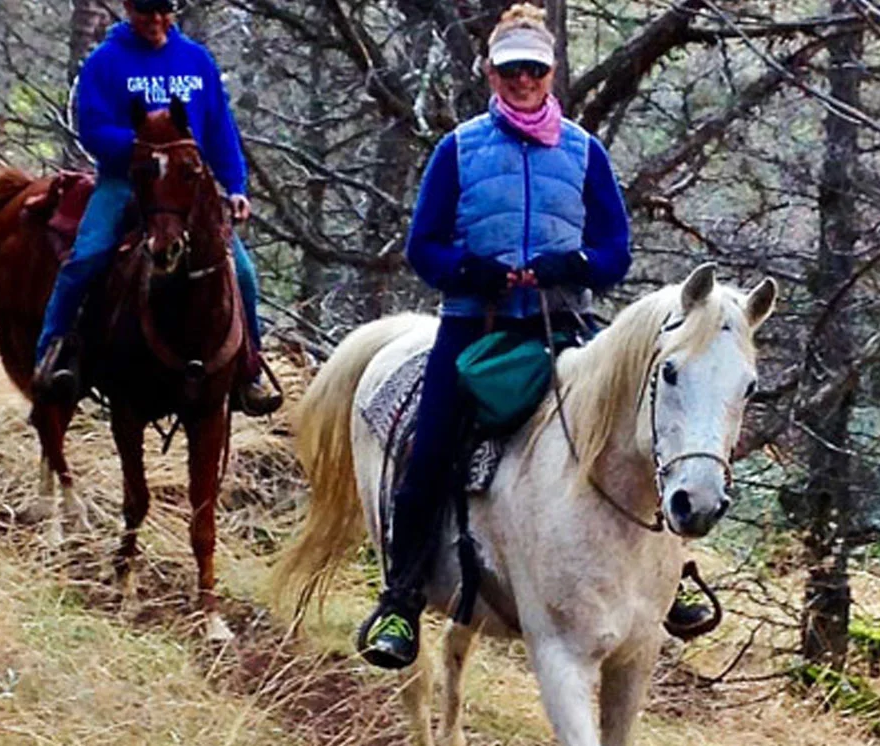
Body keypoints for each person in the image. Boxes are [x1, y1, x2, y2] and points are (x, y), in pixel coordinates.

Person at [353, 3, 715, 671]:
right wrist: (468, 270)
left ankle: (670, 579)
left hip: (567, 324)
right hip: (472, 323)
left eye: (535, 70)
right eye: (512, 68)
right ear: (490, 71)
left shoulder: (584, 152)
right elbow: (423, 245)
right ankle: (401, 599)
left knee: (644, 430)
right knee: (428, 447)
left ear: (551, 75)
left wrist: (569, 266)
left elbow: (614, 251)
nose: (523, 80)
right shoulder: (458, 149)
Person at [36, 0, 282, 416]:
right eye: (146, 12)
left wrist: (236, 185)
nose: (156, 21)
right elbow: (92, 129)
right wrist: (140, 147)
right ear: (130, 8)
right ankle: (55, 351)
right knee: (87, 257)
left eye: (163, 11)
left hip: (189, 189)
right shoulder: (106, 61)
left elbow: (220, 128)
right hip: (126, 179)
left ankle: (249, 368)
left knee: (241, 272)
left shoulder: (196, 60)